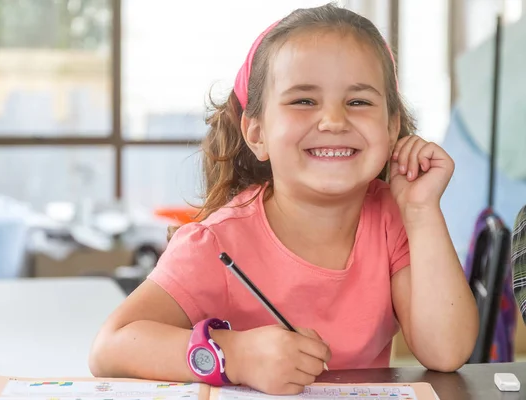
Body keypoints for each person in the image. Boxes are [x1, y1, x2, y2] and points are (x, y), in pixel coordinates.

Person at [89, 3, 478, 395]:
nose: (334, 121)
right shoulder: (217, 243)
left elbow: (446, 352)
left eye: (358, 102)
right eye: (303, 101)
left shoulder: (396, 218)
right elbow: (111, 347)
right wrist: (236, 356)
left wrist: (422, 210)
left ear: (392, 126)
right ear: (256, 134)